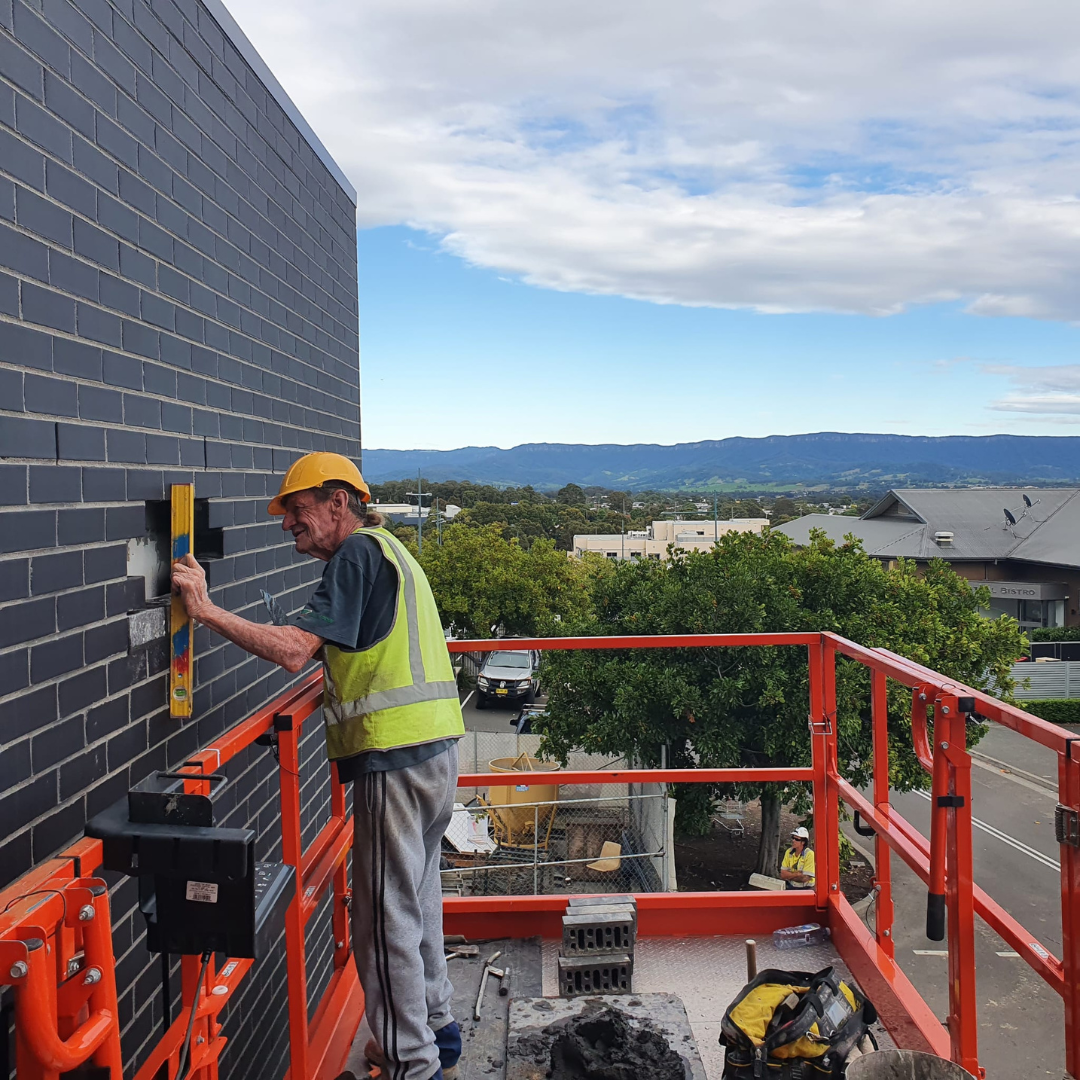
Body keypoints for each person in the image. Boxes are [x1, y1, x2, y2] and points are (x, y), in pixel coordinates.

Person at [172, 452, 465, 1080]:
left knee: (382, 921)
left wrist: (205, 610)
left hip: (394, 756)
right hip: (436, 754)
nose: (288, 526)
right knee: (421, 900)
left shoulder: (357, 556)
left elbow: (292, 651)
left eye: (297, 510)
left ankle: (413, 1064)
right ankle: (437, 1032)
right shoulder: (393, 551)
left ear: (339, 502)